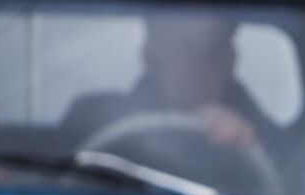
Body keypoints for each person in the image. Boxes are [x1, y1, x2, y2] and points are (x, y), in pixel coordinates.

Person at [59, 11, 281, 168]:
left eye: (211, 50)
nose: (197, 63)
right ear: (150, 53)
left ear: (230, 59)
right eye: (182, 47)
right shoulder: (90, 121)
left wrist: (251, 146)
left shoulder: (261, 133)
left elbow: (296, 187)